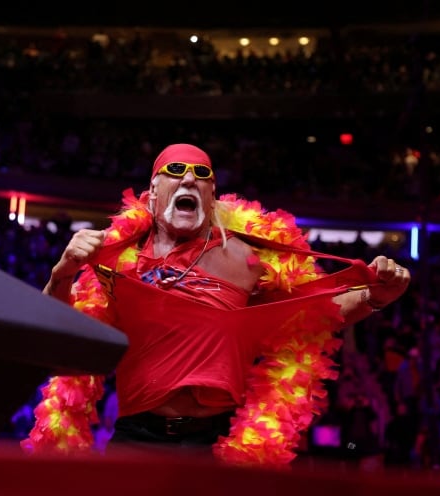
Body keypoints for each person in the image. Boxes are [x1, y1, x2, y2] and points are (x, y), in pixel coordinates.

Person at [21, 143, 411, 467]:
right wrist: (62, 273)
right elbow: (56, 342)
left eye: (201, 174)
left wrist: (376, 296)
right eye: (176, 170)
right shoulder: (118, 256)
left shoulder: (244, 258)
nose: (189, 178)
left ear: (211, 196)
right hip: (138, 439)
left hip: (216, 442)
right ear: (152, 194)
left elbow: (315, 313)